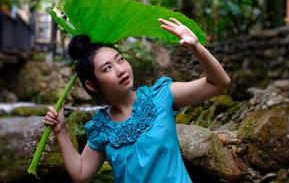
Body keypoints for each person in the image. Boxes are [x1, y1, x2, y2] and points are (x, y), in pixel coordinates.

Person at [44, 17, 231, 183]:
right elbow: (82, 174)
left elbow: (219, 83)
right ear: (92, 85)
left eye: (120, 59)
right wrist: (60, 131)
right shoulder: (101, 128)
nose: (120, 70)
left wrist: (195, 47)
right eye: (107, 68)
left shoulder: (161, 95)